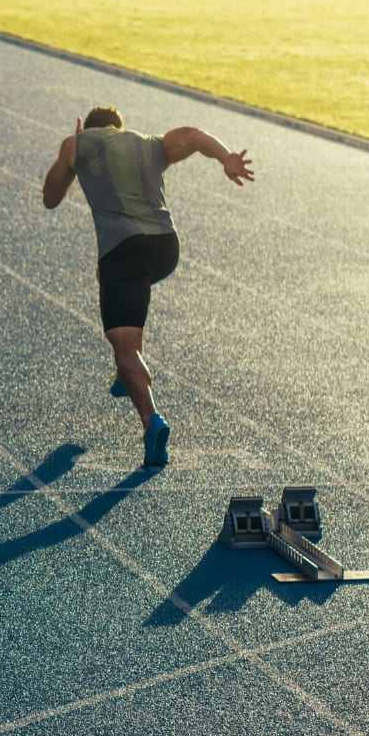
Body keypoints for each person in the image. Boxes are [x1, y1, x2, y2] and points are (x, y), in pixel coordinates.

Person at [42, 106, 254, 466]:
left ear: (88, 129)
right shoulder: (148, 143)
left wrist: (73, 152)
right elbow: (191, 134)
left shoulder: (78, 144)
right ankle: (127, 373)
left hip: (125, 251)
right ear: (119, 128)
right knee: (113, 282)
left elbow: (50, 197)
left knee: (124, 348)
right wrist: (226, 157)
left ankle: (151, 419)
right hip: (165, 248)